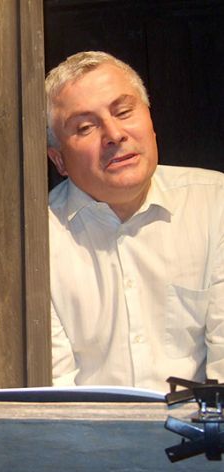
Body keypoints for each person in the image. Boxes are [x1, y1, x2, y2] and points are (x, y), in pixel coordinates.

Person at [46, 51, 224, 392]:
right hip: (89, 427)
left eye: (124, 112)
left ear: (151, 123)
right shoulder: (39, 239)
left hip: (202, 426)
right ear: (59, 161)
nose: (114, 134)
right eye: (85, 127)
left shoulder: (215, 203)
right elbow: (58, 394)